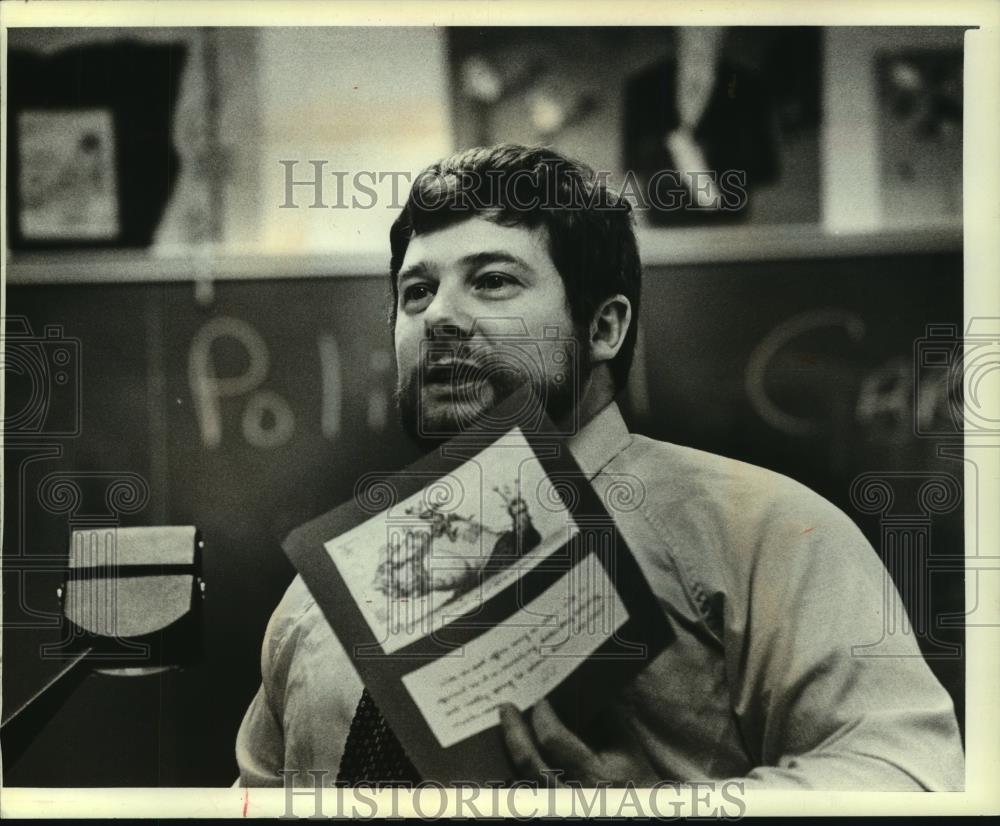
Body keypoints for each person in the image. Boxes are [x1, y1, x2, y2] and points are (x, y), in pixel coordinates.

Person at [235, 144, 964, 790]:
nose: (439, 318)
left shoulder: (763, 530)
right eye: (416, 291)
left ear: (605, 327)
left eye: (491, 280)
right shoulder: (319, 598)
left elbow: (908, 771)